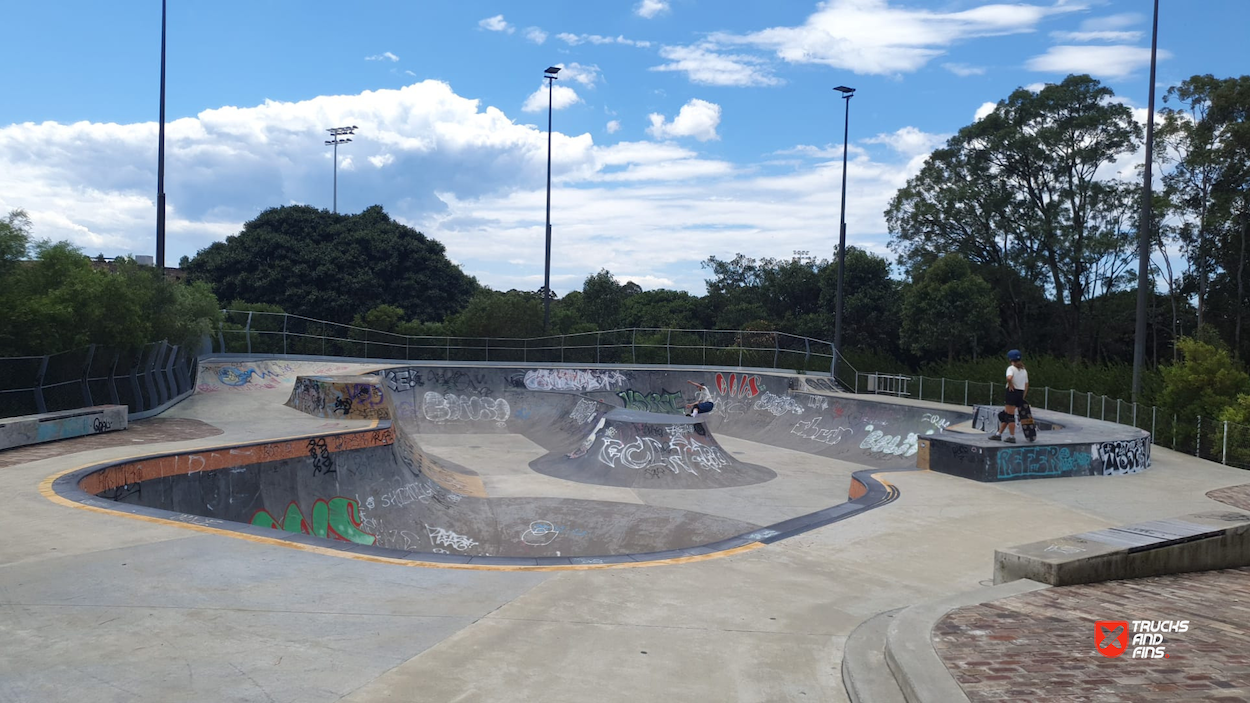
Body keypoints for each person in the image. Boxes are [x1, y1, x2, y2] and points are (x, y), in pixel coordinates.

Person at [989, 349, 1029, 443]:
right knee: (1006, 414)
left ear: (1010, 359)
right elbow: (1026, 384)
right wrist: (1023, 396)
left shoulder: (1011, 368)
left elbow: (1009, 377)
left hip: (1011, 392)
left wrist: (1010, 384)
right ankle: (998, 434)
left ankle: (1012, 437)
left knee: (1010, 416)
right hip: (1020, 393)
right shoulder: (1024, 370)